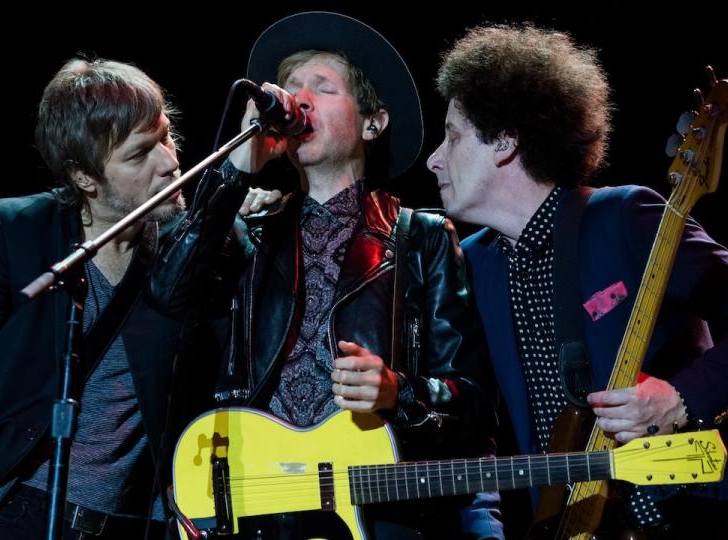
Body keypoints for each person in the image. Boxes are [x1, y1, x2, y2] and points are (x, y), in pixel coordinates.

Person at [425, 23, 728, 538]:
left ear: (506, 142)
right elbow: (475, 429)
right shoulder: (470, 264)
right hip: (581, 523)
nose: (433, 158)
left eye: (452, 136)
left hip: (706, 507)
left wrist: (680, 396)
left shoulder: (623, 216)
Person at [150, 11, 503, 539]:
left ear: (371, 122)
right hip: (258, 508)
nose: (300, 99)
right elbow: (169, 295)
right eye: (291, 87)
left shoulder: (422, 237)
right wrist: (234, 174)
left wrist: (397, 391)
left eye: (323, 87)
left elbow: (473, 403)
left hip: (373, 511)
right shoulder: (250, 229)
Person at [0, 58, 206, 540]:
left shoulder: (186, 244)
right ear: (85, 177)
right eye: (140, 155)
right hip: (23, 510)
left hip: (142, 523)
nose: (169, 161)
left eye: (165, 135)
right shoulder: (13, 232)